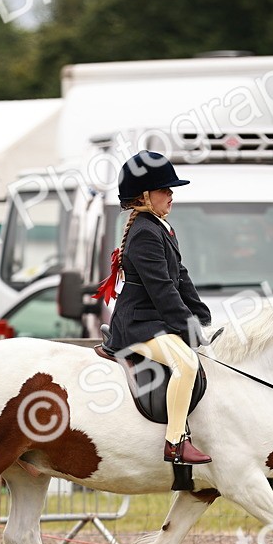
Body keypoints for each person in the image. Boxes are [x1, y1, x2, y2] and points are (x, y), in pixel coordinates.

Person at [94, 150, 213, 465]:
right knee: (186, 364)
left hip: (154, 321)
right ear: (145, 196)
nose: (171, 194)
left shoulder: (160, 226)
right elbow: (161, 290)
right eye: (164, 189)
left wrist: (202, 315)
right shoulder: (146, 232)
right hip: (138, 325)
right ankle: (175, 443)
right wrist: (187, 325)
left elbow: (180, 276)